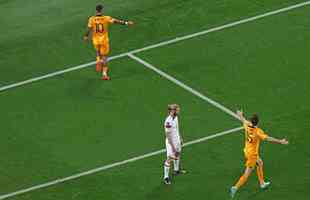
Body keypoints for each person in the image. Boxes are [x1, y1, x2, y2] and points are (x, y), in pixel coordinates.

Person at [230, 110, 289, 198]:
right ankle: (235, 187)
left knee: (260, 163)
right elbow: (268, 138)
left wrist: (240, 115)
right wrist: (280, 141)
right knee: (247, 174)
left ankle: (262, 183)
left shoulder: (247, 125)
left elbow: (243, 119)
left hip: (246, 150)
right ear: (258, 122)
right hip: (252, 156)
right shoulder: (258, 131)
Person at [84, 4, 133, 80]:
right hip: (104, 40)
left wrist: (86, 36)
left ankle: (98, 60)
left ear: (96, 10)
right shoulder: (106, 18)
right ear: (102, 10)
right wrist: (126, 23)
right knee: (105, 57)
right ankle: (104, 74)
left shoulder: (91, 19)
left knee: (98, 51)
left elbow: (89, 28)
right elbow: (116, 21)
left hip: (96, 40)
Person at [163, 104, 186, 185]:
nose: (179, 111)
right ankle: (166, 177)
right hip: (170, 142)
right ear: (173, 111)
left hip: (177, 140)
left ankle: (176, 170)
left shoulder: (176, 117)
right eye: (177, 110)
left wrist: (180, 138)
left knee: (178, 154)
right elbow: (168, 135)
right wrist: (172, 146)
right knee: (169, 158)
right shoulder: (168, 121)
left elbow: (177, 128)